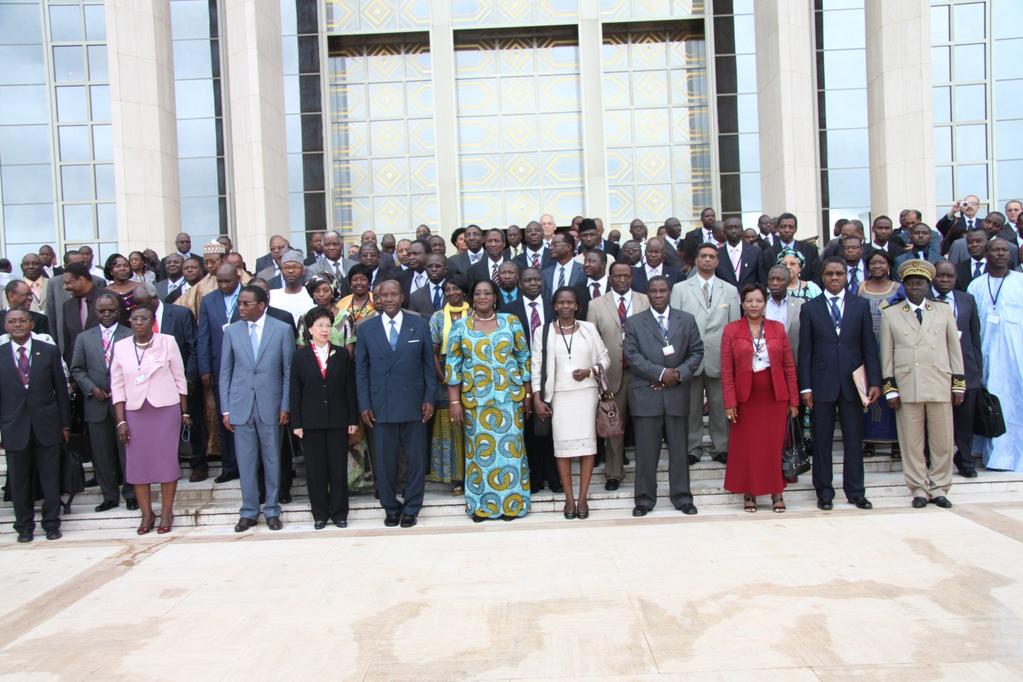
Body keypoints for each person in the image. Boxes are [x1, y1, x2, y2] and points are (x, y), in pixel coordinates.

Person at [798, 257, 882, 511]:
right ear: (822, 277)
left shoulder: (860, 305)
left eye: (839, 274)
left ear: (846, 276)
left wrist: (875, 381)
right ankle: (824, 491)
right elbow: (805, 351)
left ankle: (856, 491)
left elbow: (869, 345)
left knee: (853, 440)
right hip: (821, 384)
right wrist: (806, 387)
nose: (834, 278)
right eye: (829, 274)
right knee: (822, 441)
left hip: (853, 385)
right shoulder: (810, 308)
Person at [880, 260, 965, 508]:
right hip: (908, 384)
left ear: (928, 285)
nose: (915, 286)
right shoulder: (891, 313)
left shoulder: (943, 310)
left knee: (943, 441)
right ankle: (918, 488)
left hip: (939, 381)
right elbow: (886, 355)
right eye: (910, 282)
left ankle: (939, 487)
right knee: (911, 443)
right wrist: (890, 388)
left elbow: (954, 349)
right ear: (904, 286)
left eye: (920, 282)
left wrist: (958, 384)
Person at [446, 279, 531, 522]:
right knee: (479, 455)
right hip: (476, 402)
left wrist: (528, 394)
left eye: (488, 293)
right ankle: (482, 506)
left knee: (511, 451)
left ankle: (512, 504)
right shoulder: (460, 327)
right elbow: (453, 367)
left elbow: (524, 358)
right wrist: (454, 403)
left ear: (495, 297)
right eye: (478, 293)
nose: (483, 297)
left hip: (509, 400)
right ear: (471, 298)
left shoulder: (511, 322)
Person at [356, 279, 436, 528]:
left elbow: (428, 367)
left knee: (415, 460)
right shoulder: (366, 328)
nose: (388, 299)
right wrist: (364, 405)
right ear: (377, 299)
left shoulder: (419, 325)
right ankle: (390, 507)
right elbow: (361, 371)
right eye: (383, 295)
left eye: (393, 295)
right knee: (384, 461)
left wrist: (429, 399)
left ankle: (412, 507)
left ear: (402, 297)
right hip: (381, 405)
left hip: (413, 403)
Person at [623, 276, 704, 516]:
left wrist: (678, 374)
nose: (658, 295)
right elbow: (632, 356)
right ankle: (645, 500)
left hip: (677, 394)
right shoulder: (635, 322)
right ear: (647, 293)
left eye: (662, 291)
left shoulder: (686, 320)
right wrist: (660, 374)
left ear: (669, 292)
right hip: (647, 396)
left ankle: (682, 497)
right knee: (646, 453)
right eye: (653, 291)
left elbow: (697, 351)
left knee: (680, 451)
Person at [532, 287, 610, 519]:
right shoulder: (542, 331)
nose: (566, 306)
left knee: (587, 449)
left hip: (586, 395)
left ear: (577, 306)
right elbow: (536, 366)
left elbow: (605, 359)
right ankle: (568, 499)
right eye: (561, 303)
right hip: (559, 397)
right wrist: (537, 398)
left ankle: (583, 499)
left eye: (570, 302)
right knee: (562, 450)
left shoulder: (589, 329)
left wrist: (589, 371)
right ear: (555, 306)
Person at [221, 285, 294, 532]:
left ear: (261, 305)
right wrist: (226, 409)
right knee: (246, 461)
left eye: (246, 303)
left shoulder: (282, 329)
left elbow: (287, 371)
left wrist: (286, 404)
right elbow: (225, 373)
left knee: (273, 459)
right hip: (241, 406)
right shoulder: (231, 332)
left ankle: (272, 510)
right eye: (239, 303)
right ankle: (249, 511)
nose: (240, 307)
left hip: (271, 406)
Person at [111, 306, 190, 534]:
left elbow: (179, 377)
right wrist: (120, 421)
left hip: (165, 409)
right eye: (135, 319)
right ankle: (147, 514)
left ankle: (167, 511)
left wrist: (185, 412)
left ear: (152, 321)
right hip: (135, 412)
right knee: (138, 464)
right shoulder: (121, 347)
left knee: (166, 461)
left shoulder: (167, 342)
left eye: (144, 318)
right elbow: (116, 386)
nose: (139, 322)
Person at [721, 284, 799, 512]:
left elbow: (789, 366)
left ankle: (777, 492)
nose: (754, 305)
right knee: (749, 447)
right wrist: (729, 402)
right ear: (742, 304)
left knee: (773, 446)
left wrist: (793, 400)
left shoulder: (777, 328)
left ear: (765, 304)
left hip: (774, 397)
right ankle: (750, 492)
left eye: (758, 301)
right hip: (746, 397)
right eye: (749, 301)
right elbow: (727, 369)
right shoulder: (732, 330)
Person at [0, 309, 71, 542]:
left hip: (47, 425)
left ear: (31, 324)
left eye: (22, 320)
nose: (17, 325)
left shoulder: (48, 351)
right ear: (5, 326)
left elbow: (61, 391)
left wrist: (65, 424)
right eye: (12, 321)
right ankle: (24, 526)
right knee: (19, 481)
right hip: (14, 427)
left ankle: (51, 524)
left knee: (50, 479)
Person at [670, 242, 741, 465]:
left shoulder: (729, 290)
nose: (708, 260)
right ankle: (693, 447)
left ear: (717, 261)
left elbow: (735, 326)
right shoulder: (681, 289)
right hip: (689, 358)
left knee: (720, 405)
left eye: (712, 256)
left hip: (720, 357)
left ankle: (723, 447)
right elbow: (675, 326)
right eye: (703, 256)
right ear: (696, 260)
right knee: (691, 407)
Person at [290, 307, 359, 529]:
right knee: (316, 470)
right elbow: (295, 391)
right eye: (320, 326)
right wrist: (297, 423)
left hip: (338, 420)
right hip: (311, 422)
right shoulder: (300, 356)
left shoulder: (341, 354)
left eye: (328, 326)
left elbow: (350, 389)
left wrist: (352, 419)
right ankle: (319, 513)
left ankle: (340, 513)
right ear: (309, 329)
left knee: (338, 468)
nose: (325, 330)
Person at [70, 294, 136, 512]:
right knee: (101, 453)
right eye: (102, 311)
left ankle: (131, 493)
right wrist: (91, 388)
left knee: (127, 451)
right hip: (96, 404)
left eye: (111, 310)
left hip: (124, 404)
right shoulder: (84, 338)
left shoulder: (130, 334)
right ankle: (109, 496)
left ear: (119, 311)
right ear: (95, 312)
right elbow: (77, 369)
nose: (107, 314)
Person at [587, 261, 649, 491]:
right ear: (610, 278)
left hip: (643, 373)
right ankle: (613, 473)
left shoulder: (645, 300)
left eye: (626, 276)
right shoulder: (596, 305)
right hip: (611, 375)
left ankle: (645, 472)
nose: (622, 280)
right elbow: (592, 342)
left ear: (632, 277)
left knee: (645, 425)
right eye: (617, 276)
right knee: (613, 425)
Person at [500, 267, 559, 493]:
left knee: (553, 428)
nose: (533, 283)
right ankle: (534, 478)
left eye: (536, 279)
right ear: (519, 284)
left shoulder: (553, 308)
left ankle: (554, 477)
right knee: (529, 430)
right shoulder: (508, 311)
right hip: (521, 377)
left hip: (552, 374)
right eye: (528, 280)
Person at [967, 238, 1023, 472]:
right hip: (987, 355)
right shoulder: (976, 285)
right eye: (995, 250)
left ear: (1010, 255)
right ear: (986, 254)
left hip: (1017, 355)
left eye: (1004, 250)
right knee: (993, 403)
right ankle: (994, 456)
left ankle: (1016, 456)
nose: (1000, 254)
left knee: (1016, 403)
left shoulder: (1020, 282)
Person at [932, 260, 984, 478]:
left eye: (949, 276)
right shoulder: (926, 301)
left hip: (965, 367)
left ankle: (965, 460)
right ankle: (933, 461)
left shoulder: (967, 300)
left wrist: (977, 370)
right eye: (941, 276)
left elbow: (974, 336)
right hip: (935, 368)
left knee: (964, 418)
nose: (945, 280)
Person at [197, 263, 243, 483]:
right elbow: (203, 336)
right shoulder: (208, 301)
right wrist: (204, 368)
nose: (224, 285)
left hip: (245, 367)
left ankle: (247, 464)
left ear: (238, 276)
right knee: (225, 416)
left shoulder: (249, 296)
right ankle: (229, 465)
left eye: (228, 281)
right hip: (218, 367)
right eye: (220, 281)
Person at [856, 249, 901, 453]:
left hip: (892, 347)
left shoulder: (899, 288)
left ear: (889, 265)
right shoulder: (861, 288)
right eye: (873, 263)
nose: (877, 266)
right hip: (865, 347)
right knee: (868, 394)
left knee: (892, 392)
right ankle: (869, 440)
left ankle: (895, 443)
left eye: (881, 262)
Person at [428, 274, 470, 493]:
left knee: (471, 424)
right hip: (444, 376)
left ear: (464, 291)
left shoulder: (473, 314)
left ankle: (473, 474)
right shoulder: (437, 317)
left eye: (456, 289)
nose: (452, 293)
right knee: (451, 426)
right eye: (448, 290)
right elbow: (433, 352)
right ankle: (456, 477)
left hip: (472, 375)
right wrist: (444, 377)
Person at [716, 217, 765, 289]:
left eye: (736, 227)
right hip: (725, 297)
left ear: (742, 230)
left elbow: (762, 279)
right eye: (729, 228)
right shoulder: (717, 254)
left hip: (748, 298)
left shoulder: (755, 252)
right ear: (724, 231)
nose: (733, 231)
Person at [269, 251, 314, 326]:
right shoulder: (272, 295)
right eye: (286, 267)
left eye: (295, 267)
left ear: (303, 270)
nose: (290, 271)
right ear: (281, 270)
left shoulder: (311, 294)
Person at [295, 273, 343, 345]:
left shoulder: (345, 317)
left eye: (326, 290)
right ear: (312, 294)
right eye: (317, 291)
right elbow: (301, 347)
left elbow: (349, 350)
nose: (321, 294)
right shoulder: (305, 318)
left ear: (332, 293)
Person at [102, 253, 138, 325]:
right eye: (118, 266)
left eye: (126, 266)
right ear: (111, 271)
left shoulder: (141, 287)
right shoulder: (104, 292)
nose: (122, 268)